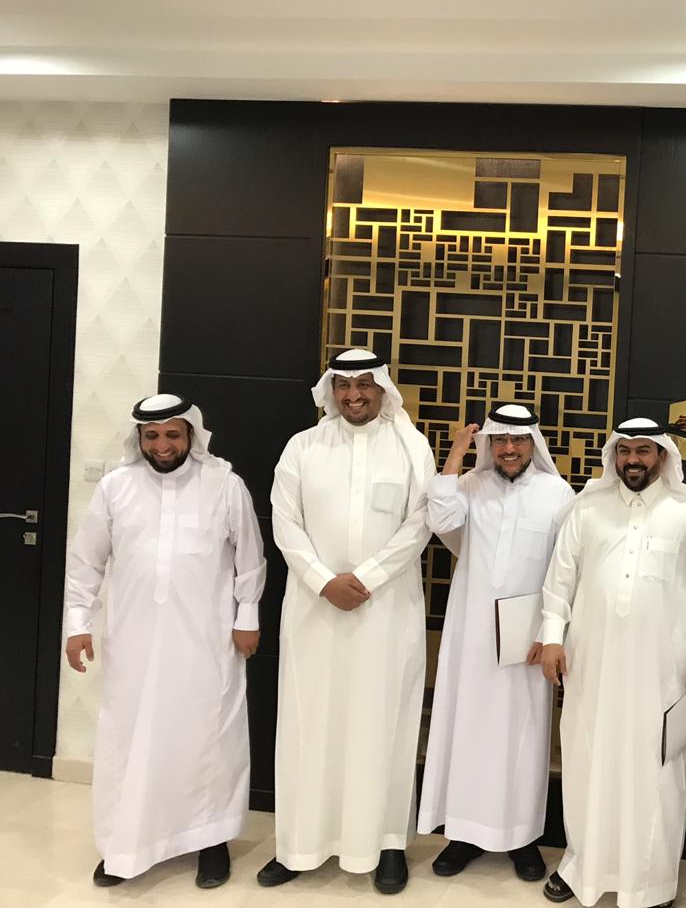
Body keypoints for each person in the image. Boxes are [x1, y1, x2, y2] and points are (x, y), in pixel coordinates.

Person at [64, 393, 265, 889]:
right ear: (139, 438)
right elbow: (86, 563)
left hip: (206, 642)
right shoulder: (115, 487)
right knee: (129, 739)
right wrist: (77, 624)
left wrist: (247, 617)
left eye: (173, 434)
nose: (162, 444)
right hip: (133, 642)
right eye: (151, 435)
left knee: (206, 738)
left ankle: (211, 840)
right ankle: (124, 843)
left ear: (191, 435)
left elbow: (249, 560)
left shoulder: (224, 484)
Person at [257, 349, 435, 895]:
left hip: (387, 612)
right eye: (344, 385)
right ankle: (298, 845)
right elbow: (284, 521)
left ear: (382, 389)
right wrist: (322, 581)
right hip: (315, 611)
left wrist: (368, 577)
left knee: (384, 724)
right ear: (330, 391)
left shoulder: (411, 446)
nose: (354, 395)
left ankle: (386, 844)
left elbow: (422, 520)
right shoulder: (303, 447)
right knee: (310, 724)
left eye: (364, 385)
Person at [539, 417, 686, 908]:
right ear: (614, 456)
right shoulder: (588, 507)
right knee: (588, 759)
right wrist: (552, 638)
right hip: (591, 664)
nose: (633, 460)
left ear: (662, 456)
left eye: (644, 450)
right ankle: (581, 867)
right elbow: (560, 580)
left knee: (658, 768)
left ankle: (652, 881)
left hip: (664, 668)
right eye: (625, 451)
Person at [419, 404, 573, 881]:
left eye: (518, 440)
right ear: (488, 444)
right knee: (467, 727)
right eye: (499, 440)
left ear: (533, 444)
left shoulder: (557, 493)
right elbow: (441, 519)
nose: (509, 449)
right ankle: (464, 834)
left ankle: (522, 838)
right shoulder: (470, 485)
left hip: (527, 641)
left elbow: (567, 568)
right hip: (472, 632)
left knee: (524, 737)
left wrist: (549, 632)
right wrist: (456, 455)